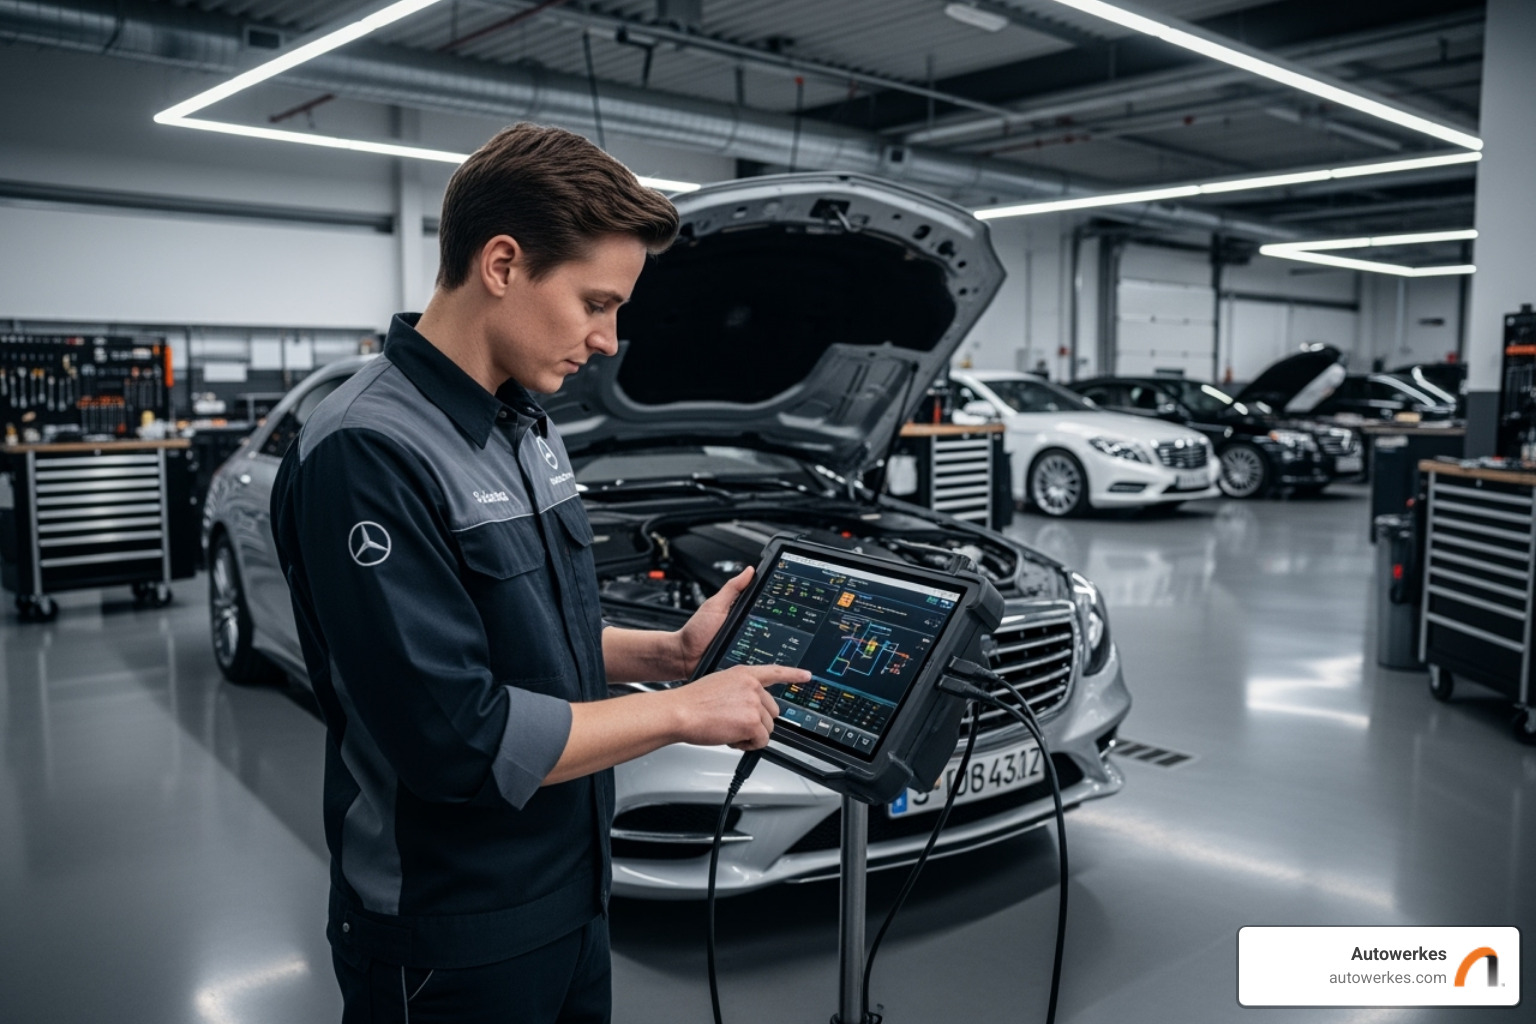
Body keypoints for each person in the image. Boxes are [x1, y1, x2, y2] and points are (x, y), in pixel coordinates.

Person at [271, 123, 809, 1024]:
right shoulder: (368, 451)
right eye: (596, 303)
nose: (608, 341)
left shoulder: (526, 425)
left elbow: (532, 641)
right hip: (450, 932)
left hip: (571, 893)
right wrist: (684, 714)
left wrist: (668, 654)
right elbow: (457, 735)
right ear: (504, 264)